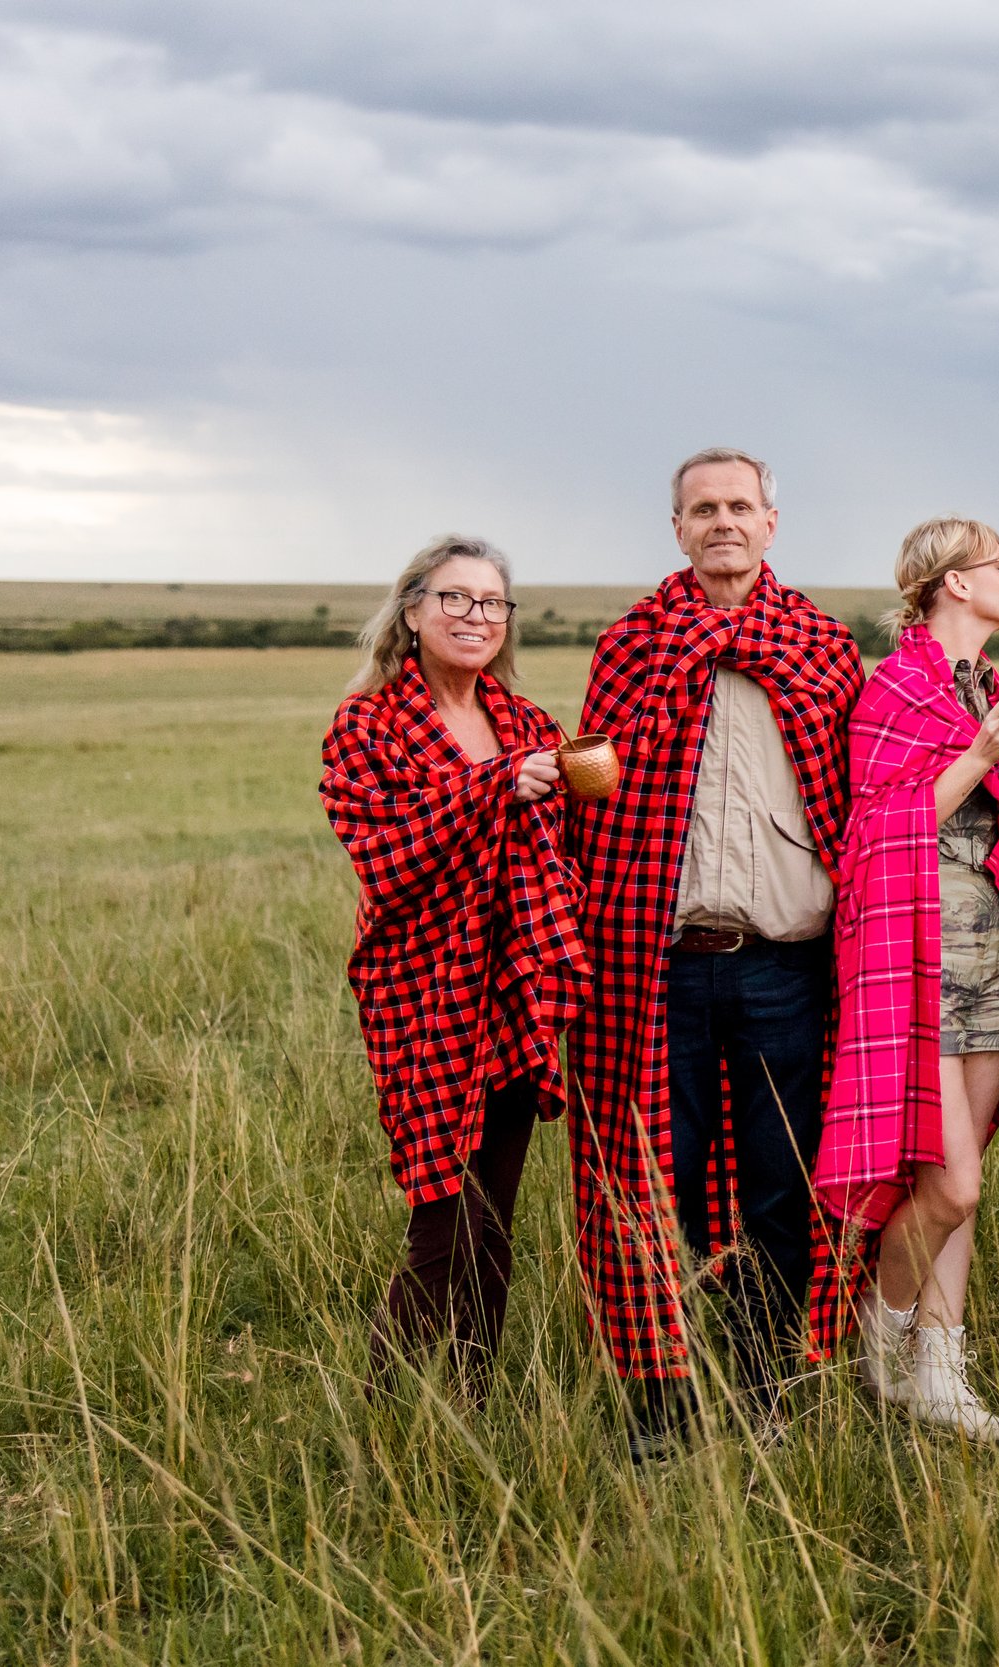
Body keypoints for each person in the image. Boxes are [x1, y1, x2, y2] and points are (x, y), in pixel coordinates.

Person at [567, 448, 865, 1459]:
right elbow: (595, 805)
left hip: (783, 964)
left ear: (771, 524)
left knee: (781, 1180)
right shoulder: (633, 646)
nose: (723, 520)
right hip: (659, 963)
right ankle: (665, 1385)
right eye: (703, 508)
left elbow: (855, 799)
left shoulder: (821, 644)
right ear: (678, 528)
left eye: (740, 505)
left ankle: (762, 1377)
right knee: (665, 1176)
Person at [321, 536, 588, 1402]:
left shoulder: (526, 722)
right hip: (423, 988)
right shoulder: (368, 724)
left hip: (514, 984)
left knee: (496, 1215)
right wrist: (499, 787)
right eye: (455, 600)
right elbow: (387, 854)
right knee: (444, 1212)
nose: (475, 617)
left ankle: (473, 1397)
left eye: (492, 603)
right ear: (412, 612)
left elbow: (563, 852)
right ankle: (384, 1406)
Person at [821, 517, 999, 1443]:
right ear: (953, 583)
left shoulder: (994, 684)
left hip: (997, 955)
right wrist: (984, 754)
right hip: (918, 959)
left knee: (969, 1174)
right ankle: (882, 1330)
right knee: (952, 1189)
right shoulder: (895, 688)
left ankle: (940, 1370)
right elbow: (875, 828)